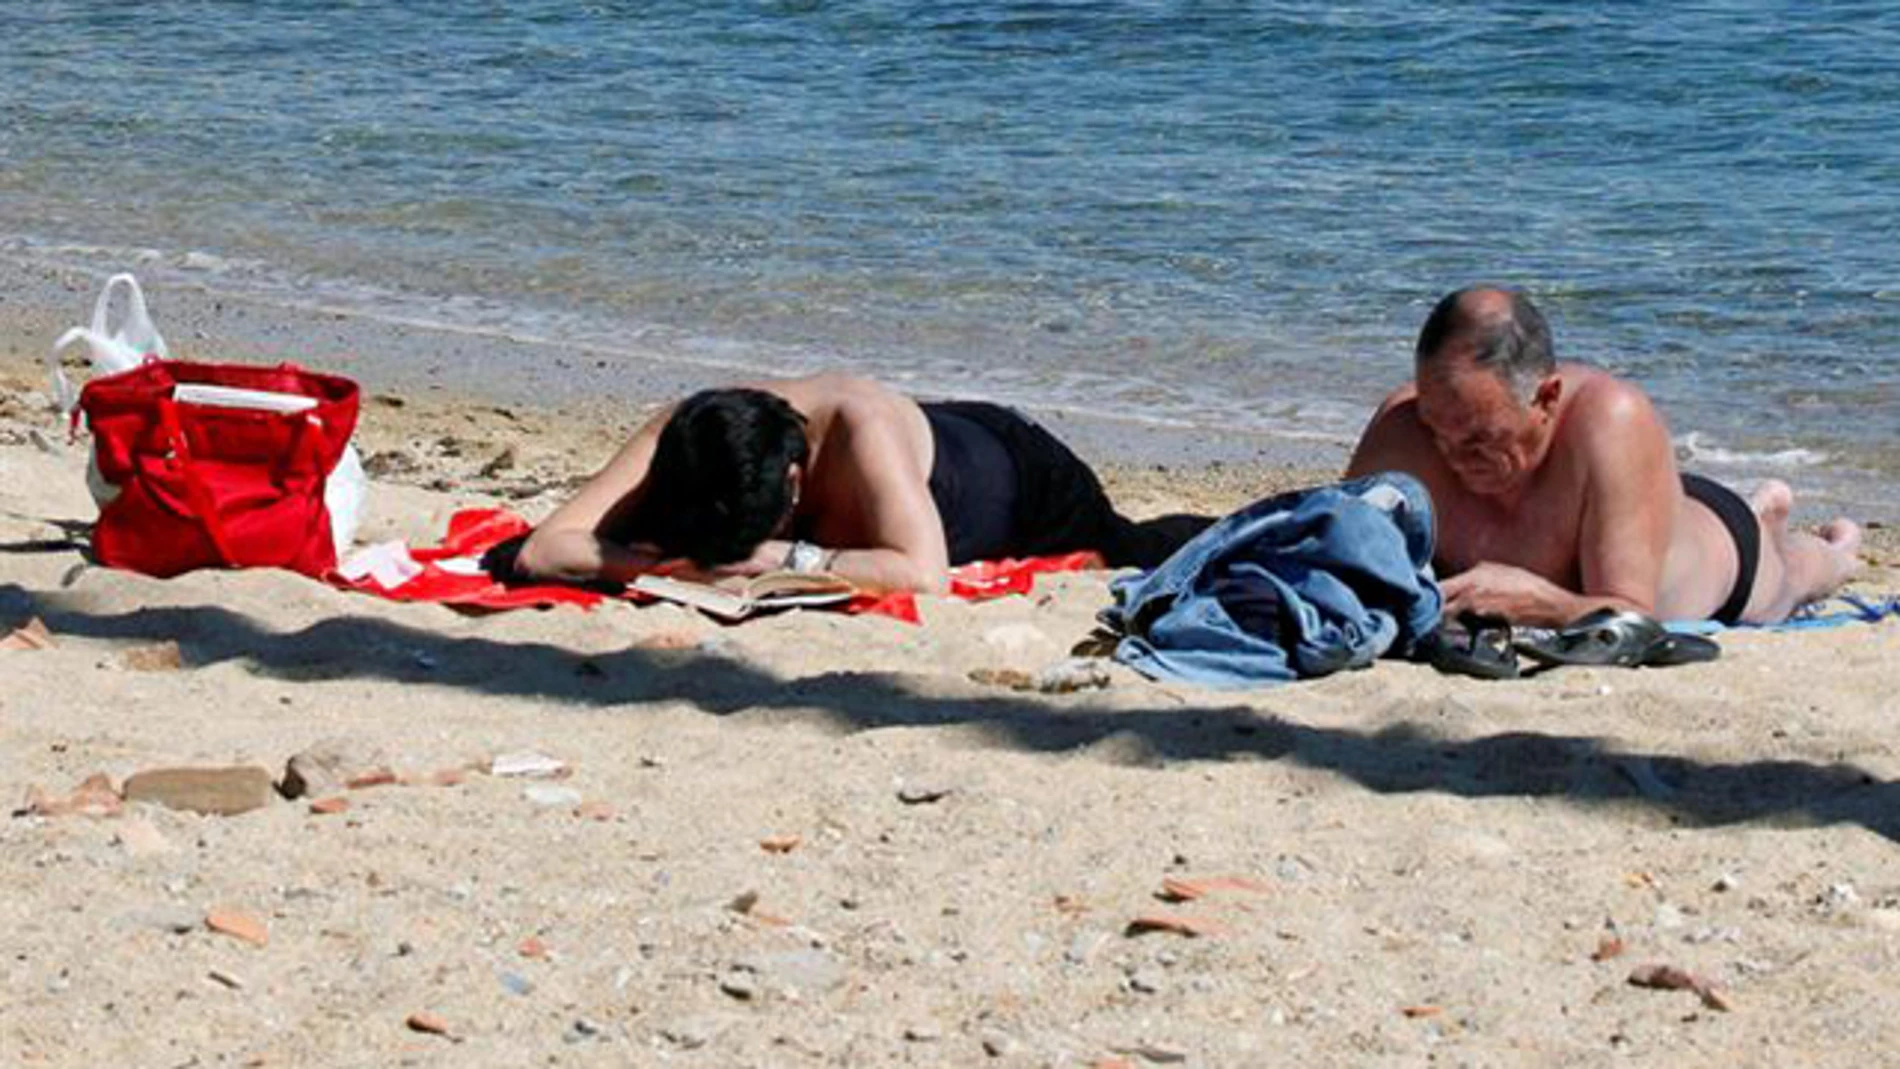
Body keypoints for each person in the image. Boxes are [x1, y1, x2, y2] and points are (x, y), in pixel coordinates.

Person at [1346, 286, 1861, 627]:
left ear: (1547, 398)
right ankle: (1764, 509)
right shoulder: (1406, 427)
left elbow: (1634, 614)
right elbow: (1323, 549)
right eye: (1439, 431)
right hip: (1637, 501)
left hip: (1721, 553)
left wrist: (1539, 601)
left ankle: (1813, 535)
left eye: (1481, 437)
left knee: (1796, 575)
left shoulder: (1610, 417)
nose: (1454, 455)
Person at [513, 372, 1204, 593]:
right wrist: (678, 568)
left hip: (1023, 479)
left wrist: (783, 558)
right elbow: (542, 550)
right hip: (938, 447)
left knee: (1142, 547)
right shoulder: (685, 432)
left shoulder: (859, 427)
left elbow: (924, 574)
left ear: (794, 480)